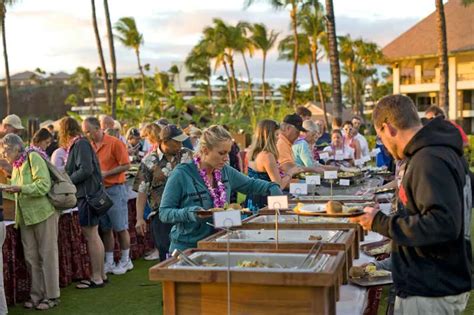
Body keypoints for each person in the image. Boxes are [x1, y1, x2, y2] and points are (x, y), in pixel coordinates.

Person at [351, 94, 472, 314]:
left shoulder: (428, 160)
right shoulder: (442, 152)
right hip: (439, 280)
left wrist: (380, 222)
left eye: (381, 138)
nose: (386, 148)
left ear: (388, 128)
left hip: (431, 287)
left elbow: (442, 224)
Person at [159, 125, 283, 251]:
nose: (226, 158)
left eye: (228, 153)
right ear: (205, 150)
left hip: (219, 242)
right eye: (221, 153)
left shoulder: (225, 171)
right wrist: (192, 213)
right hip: (188, 248)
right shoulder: (181, 174)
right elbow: (164, 213)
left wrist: (273, 187)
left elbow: (251, 184)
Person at [0, 134, 60, 310]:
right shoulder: (17, 164)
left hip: (43, 214)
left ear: (15, 148)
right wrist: (7, 188)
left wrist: (20, 188)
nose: (3, 156)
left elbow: (43, 185)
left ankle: (51, 296)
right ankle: (36, 295)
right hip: (26, 217)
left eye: (4, 152)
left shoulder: (33, 157)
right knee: (31, 258)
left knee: (47, 256)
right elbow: (17, 189)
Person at [59, 117, 108, 289]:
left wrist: (67, 182)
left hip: (87, 195)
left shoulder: (80, 144)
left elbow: (85, 169)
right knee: (94, 234)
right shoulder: (82, 143)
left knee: (91, 235)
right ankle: (100, 274)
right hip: (90, 193)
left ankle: (96, 277)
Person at [134, 125, 193, 261]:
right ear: (164, 141)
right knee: (167, 254)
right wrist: (139, 218)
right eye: (177, 142)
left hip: (187, 212)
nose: (180, 144)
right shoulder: (149, 161)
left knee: (189, 252)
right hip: (162, 216)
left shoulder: (188, 155)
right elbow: (142, 191)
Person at [82, 117, 132, 275]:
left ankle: (126, 260)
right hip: (99, 191)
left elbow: (126, 165)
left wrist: (107, 173)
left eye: (89, 131)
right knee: (106, 228)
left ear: (98, 128)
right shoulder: (89, 145)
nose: (87, 134)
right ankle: (109, 262)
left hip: (115, 189)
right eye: (85, 132)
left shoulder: (115, 143)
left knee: (121, 227)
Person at [246, 120, 301, 211]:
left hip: (252, 199)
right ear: (268, 136)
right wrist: (290, 173)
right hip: (266, 202)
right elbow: (278, 186)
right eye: (276, 135)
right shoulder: (267, 156)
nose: (278, 138)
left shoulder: (252, 153)